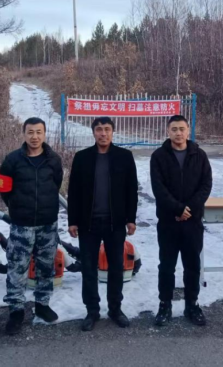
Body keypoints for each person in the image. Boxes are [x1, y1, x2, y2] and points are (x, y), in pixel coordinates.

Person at [67, 116, 139, 332]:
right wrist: (72, 221)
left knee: (116, 268)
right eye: (99, 129)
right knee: (88, 268)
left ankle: (115, 309)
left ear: (112, 132)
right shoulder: (82, 158)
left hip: (115, 223)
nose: (103, 133)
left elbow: (131, 190)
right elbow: (73, 191)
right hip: (88, 224)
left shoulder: (124, 157)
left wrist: (131, 218)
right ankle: (92, 311)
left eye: (107, 129)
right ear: (93, 133)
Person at [0, 117, 63, 334]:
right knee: (17, 268)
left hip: (47, 224)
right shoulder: (11, 160)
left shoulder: (53, 160)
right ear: (24, 134)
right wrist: (16, 207)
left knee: (46, 267)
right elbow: (4, 189)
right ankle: (16, 310)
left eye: (39, 132)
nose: (35, 137)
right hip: (21, 225)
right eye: (30, 132)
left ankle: (42, 304)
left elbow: (56, 184)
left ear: (44, 134)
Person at [150, 114, 212, 327]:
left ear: (188, 130)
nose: (178, 133)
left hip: (192, 222)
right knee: (166, 266)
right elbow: (158, 188)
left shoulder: (199, 155)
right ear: (168, 131)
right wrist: (177, 209)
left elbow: (206, 185)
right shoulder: (159, 156)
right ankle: (164, 305)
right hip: (168, 221)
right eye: (174, 129)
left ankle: (192, 305)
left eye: (182, 129)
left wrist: (189, 209)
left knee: (192, 265)